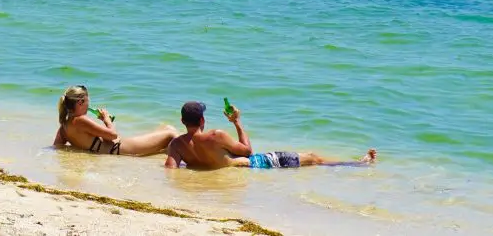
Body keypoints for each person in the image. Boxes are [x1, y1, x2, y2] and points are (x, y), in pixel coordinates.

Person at [164, 101, 377, 170]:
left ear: (183, 122)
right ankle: (358, 164)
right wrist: (237, 122)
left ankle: (356, 163)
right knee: (313, 158)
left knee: (312, 159)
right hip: (257, 164)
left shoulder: (176, 145)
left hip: (241, 168)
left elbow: (171, 170)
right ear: (202, 120)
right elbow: (248, 152)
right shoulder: (215, 135)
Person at [53, 85, 176, 156]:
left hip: (117, 148)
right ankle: (186, 158)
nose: (88, 104)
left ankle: (170, 155)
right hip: (121, 149)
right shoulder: (80, 120)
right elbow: (112, 135)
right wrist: (107, 120)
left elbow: (57, 147)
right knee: (170, 132)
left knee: (164, 128)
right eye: (87, 101)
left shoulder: (64, 126)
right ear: (80, 102)